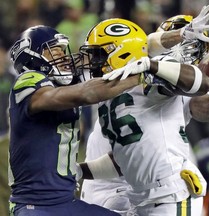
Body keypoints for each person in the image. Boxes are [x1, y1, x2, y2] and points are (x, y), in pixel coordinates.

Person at [80, 5, 209, 215]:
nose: (91, 62)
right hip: (140, 196)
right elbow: (122, 158)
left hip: (169, 192)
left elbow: (202, 83)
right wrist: (79, 171)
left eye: (97, 55)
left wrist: (151, 66)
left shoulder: (155, 73)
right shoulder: (111, 90)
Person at [8, 25, 144, 216]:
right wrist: (142, 75)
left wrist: (176, 37)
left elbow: (115, 49)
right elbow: (87, 93)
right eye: (54, 51)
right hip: (35, 206)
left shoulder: (65, 83)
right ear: (32, 57)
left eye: (63, 51)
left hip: (65, 202)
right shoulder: (29, 80)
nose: (63, 57)